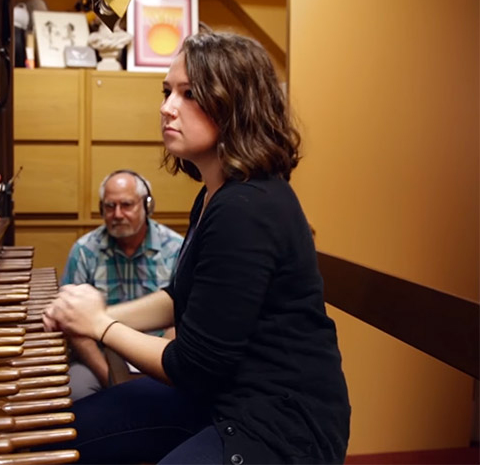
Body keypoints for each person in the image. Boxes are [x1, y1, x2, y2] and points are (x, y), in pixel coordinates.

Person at [42, 31, 351, 464]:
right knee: (73, 431)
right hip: (224, 396)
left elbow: (192, 366)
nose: (167, 107)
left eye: (189, 94)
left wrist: (100, 326)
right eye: (168, 91)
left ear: (234, 105)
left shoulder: (247, 207)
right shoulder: (214, 195)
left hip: (280, 421)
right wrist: (99, 316)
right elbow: (180, 298)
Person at [61, 170, 184, 400]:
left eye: (126, 205)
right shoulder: (84, 250)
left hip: (155, 355)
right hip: (99, 356)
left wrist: (158, 373)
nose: (117, 214)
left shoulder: (175, 249)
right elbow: (72, 325)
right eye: (110, 206)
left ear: (147, 206)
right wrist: (110, 378)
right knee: (75, 393)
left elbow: (180, 318)